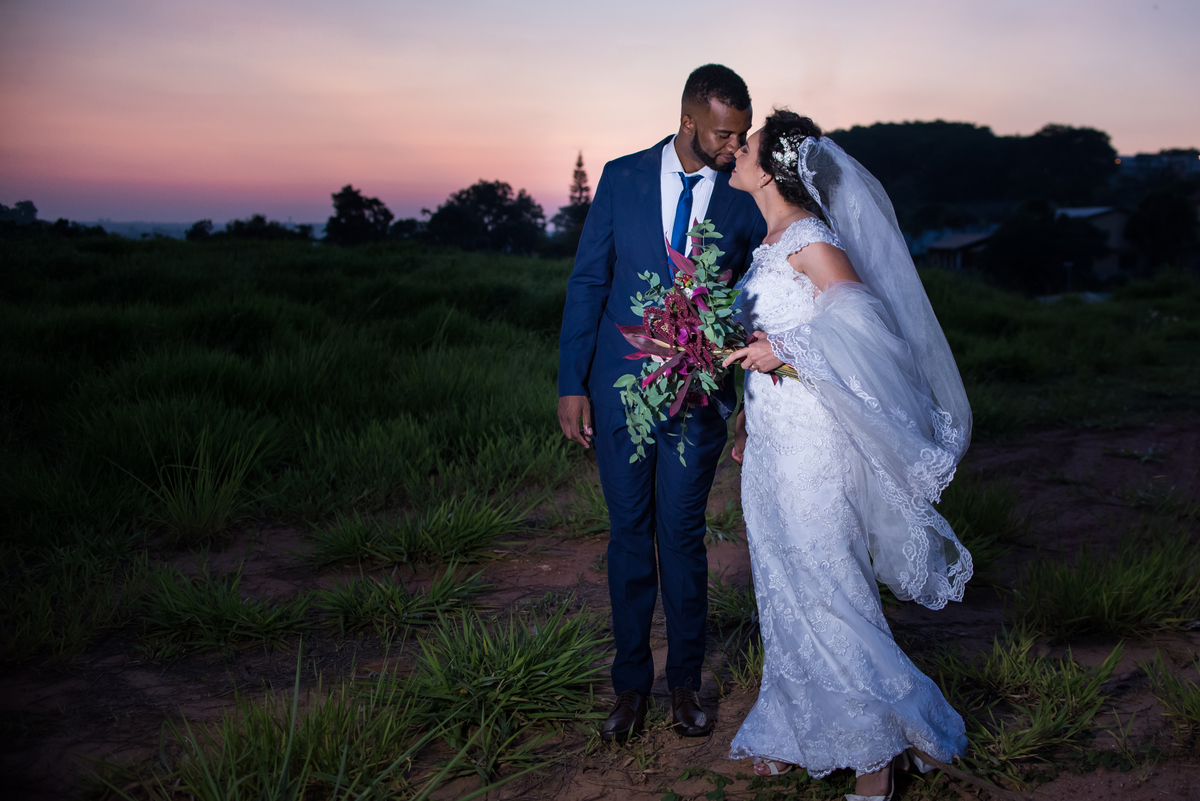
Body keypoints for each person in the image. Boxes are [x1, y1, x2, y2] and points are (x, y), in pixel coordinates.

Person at [720, 110, 974, 801]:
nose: (736, 151)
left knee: (830, 582)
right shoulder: (768, 242)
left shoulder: (810, 236)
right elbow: (767, 339)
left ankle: (876, 752)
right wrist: (745, 418)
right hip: (771, 441)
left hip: (813, 442)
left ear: (771, 170)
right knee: (784, 583)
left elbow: (866, 327)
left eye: (747, 145)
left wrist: (786, 354)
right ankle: (802, 726)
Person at [557, 64, 767, 742]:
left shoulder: (745, 196)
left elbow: (757, 300)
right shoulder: (621, 177)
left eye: (742, 135)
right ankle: (629, 687)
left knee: (681, 536)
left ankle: (684, 685)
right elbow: (589, 282)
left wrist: (749, 395)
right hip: (619, 392)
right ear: (688, 122)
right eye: (725, 134)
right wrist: (571, 383)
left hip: (698, 399)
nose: (736, 146)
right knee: (628, 536)